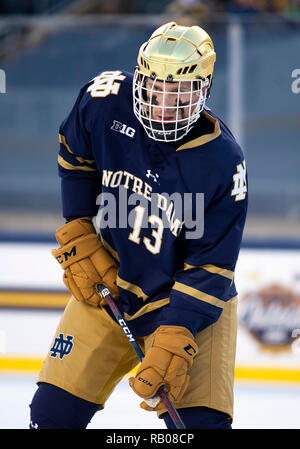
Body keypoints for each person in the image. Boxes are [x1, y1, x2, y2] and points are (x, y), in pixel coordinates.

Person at [29, 21, 248, 429]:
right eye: (155, 87)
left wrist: (176, 330)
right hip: (111, 281)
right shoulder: (103, 101)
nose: (164, 104)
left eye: (179, 92)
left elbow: (211, 268)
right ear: (139, 78)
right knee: (50, 416)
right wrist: (77, 227)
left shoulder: (222, 162)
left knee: (201, 428)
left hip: (186, 303)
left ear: (203, 90)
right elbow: (75, 158)